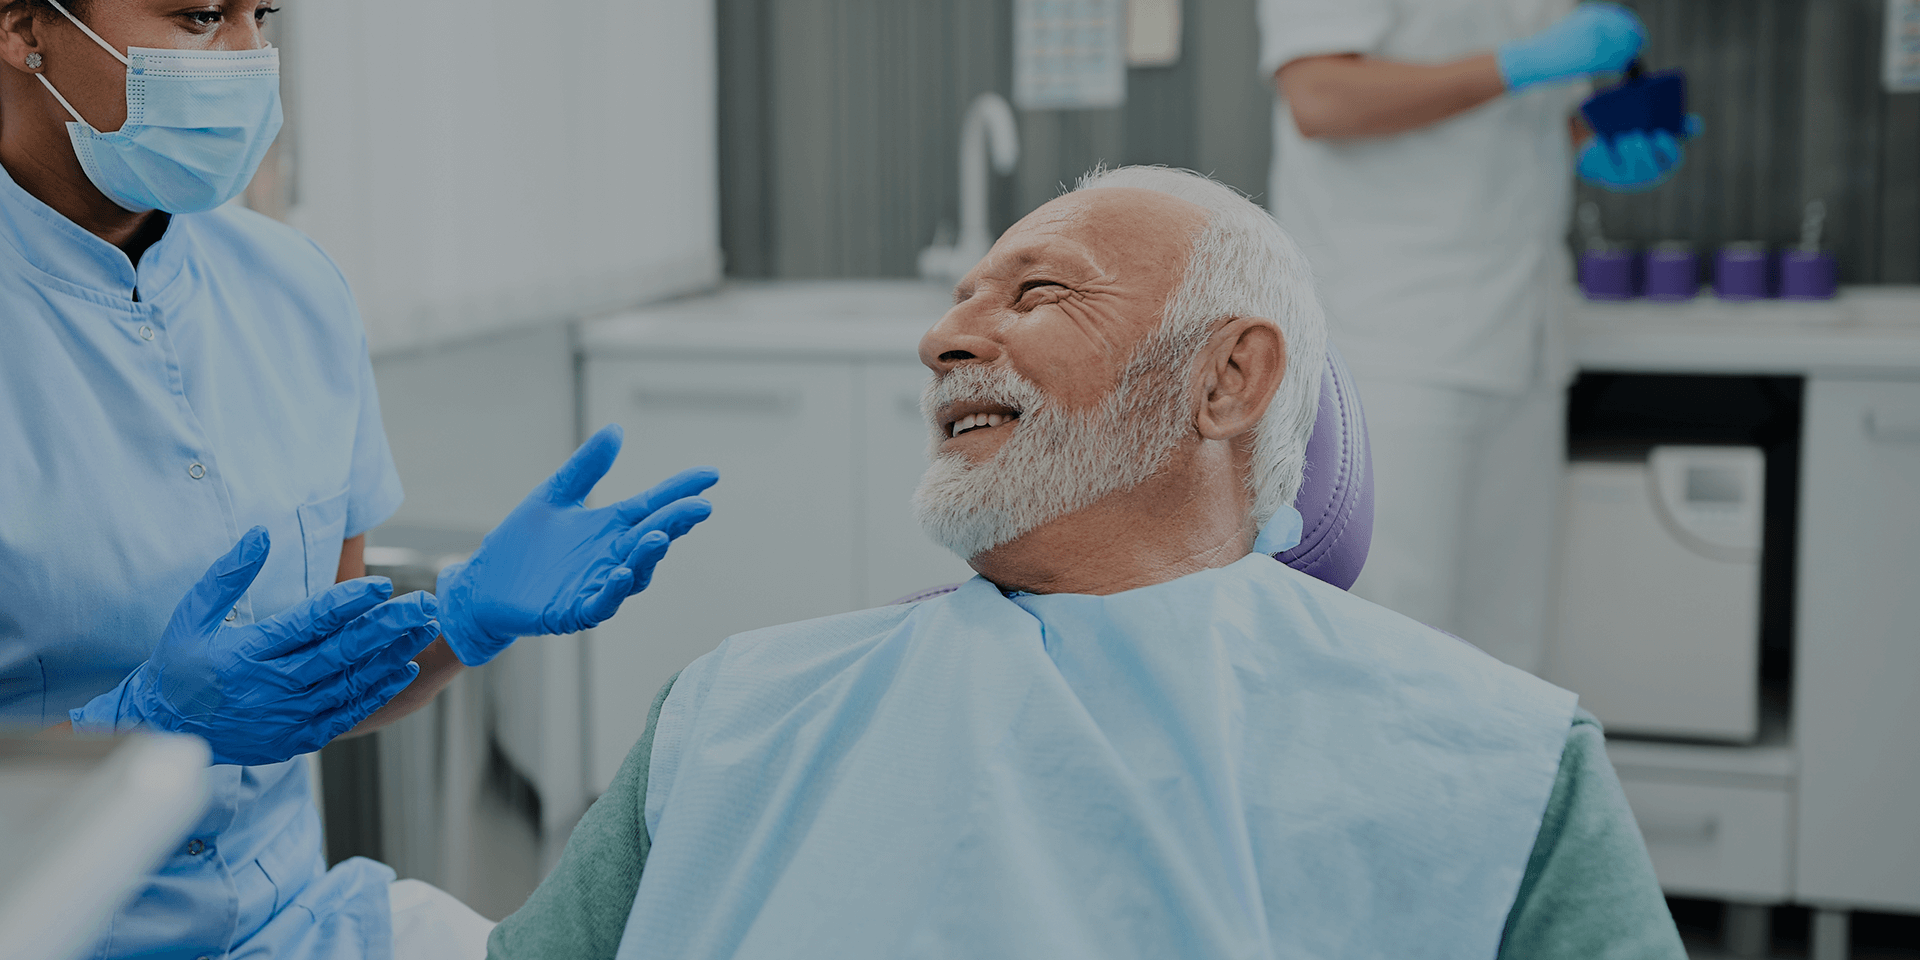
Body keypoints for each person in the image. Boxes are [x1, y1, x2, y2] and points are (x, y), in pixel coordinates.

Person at [482, 167, 1685, 960]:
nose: (943, 339)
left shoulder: (1498, 766)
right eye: (960, 302)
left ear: (1227, 378)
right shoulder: (734, 713)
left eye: (1038, 292)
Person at [0, 1, 715, 957]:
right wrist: (131, 733)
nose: (250, 62)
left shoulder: (293, 289)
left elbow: (315, 684)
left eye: (264, 15)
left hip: (306, 927)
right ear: (21, 28)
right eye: (201, 18)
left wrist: (462, 621)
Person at [1257, 0, 1695, 669]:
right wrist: (1516, 66)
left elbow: (1500, 117)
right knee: (1390, 646)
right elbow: (1320, 97)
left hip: (1523, 331)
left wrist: (1586, 140)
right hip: (1394, 341)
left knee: (1506, 656)